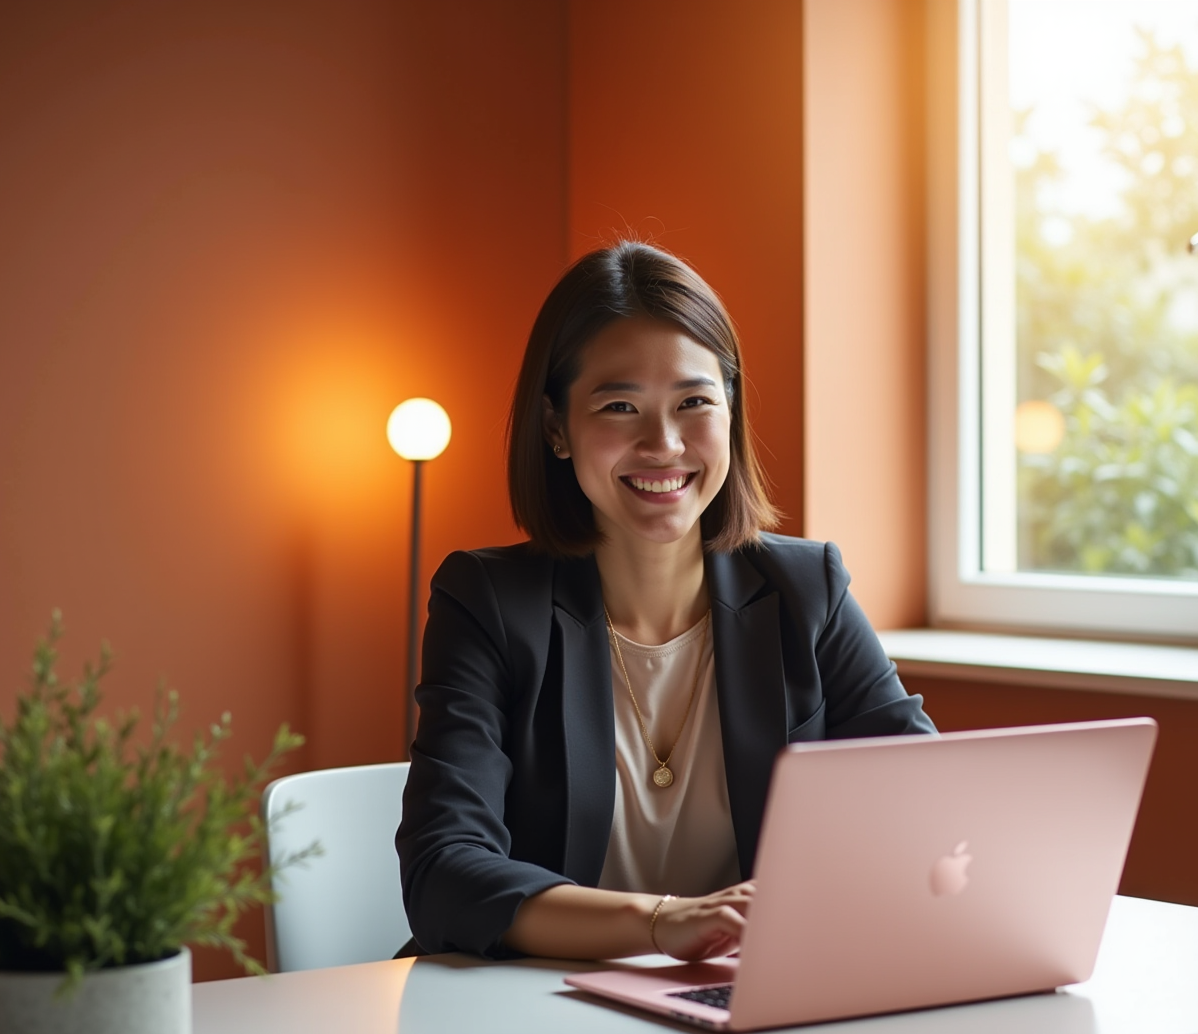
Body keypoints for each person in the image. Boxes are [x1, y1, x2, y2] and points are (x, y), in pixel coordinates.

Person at [396, 242, 936, 964]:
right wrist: (659, 923)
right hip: (532, 1008)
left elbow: (927, 799)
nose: (665, 443)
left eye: (694, 402)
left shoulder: (808, 591)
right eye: (620, 406)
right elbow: (444, 872)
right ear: (556, 427)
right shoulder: (489, 603)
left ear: (731, 411)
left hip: (735, 1008)